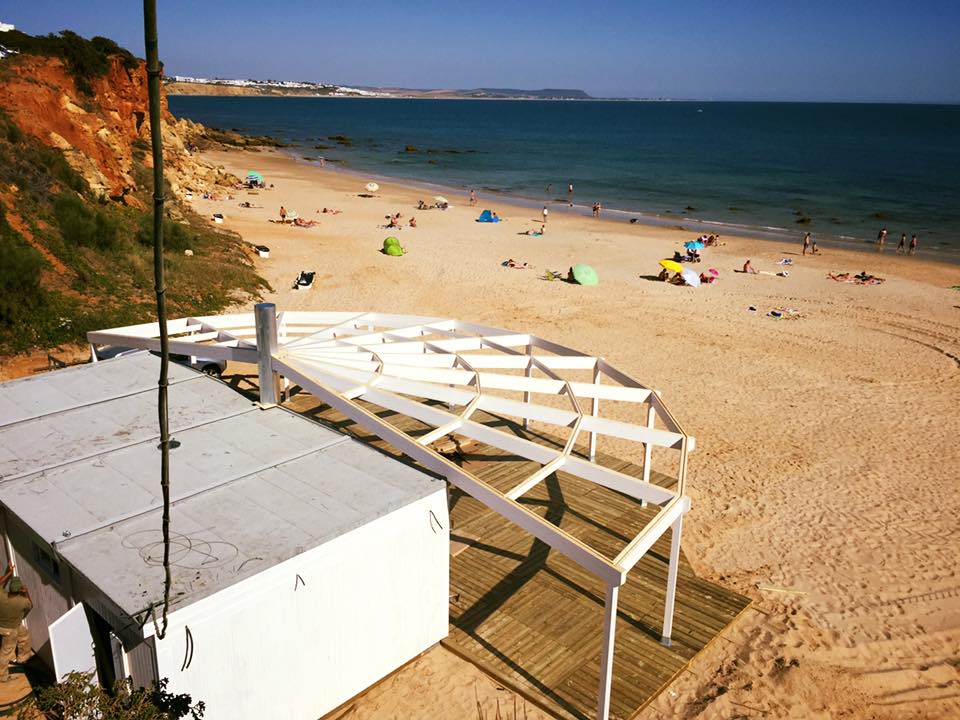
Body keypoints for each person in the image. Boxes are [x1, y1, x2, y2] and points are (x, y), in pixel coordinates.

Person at [0, 564, 32, 682]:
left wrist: (9, 572)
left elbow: (0, 582)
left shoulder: (1, 596)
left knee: (24, 635)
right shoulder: (22, 602)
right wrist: (26, 592)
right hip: (10, 630)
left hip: (4, 625)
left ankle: (22, 658)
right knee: (5, 653)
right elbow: (30, 605)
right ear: (20, 590)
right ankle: (2, 676)